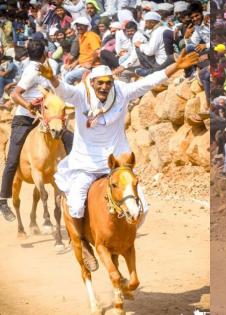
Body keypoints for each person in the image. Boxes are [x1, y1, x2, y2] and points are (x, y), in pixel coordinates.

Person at [37, 49, 199, 272]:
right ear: (92, 83)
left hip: (117, 163)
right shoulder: (80, 95)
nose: (104, 87)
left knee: (142, 208)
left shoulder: (121, 91)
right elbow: (63, 91)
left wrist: (176, 67)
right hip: (86, 163)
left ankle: (121, 240)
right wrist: (52, 78)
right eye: (100, 83)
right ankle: (84, 243)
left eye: (108, 82)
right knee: (75, 205)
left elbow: (150, 81)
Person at [0, 40, 74, 222]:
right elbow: (16, 94)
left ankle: (75, 180)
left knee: (70, 138)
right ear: (45, 54)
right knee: (12, 159)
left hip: (45, 117)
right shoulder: (32, 70)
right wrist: (29, 106)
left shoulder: (45, 68)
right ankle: (3, 200)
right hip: (24, 119)